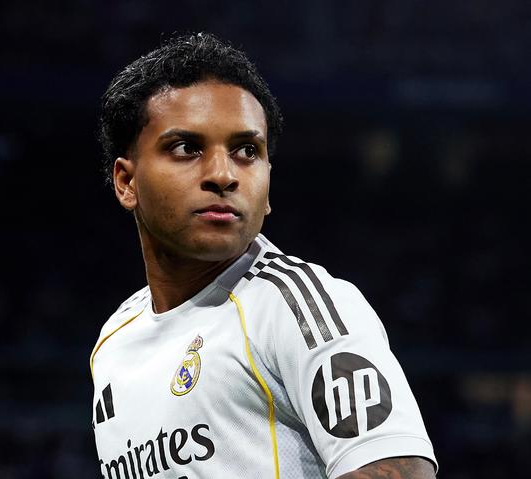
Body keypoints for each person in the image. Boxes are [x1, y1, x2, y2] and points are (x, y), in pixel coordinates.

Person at [90, 32, 437, 479]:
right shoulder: (113, 343)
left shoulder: (296, 307)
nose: (223, 174)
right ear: (126, 182)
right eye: (187, 148)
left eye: (246, 151)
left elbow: (399, 471)